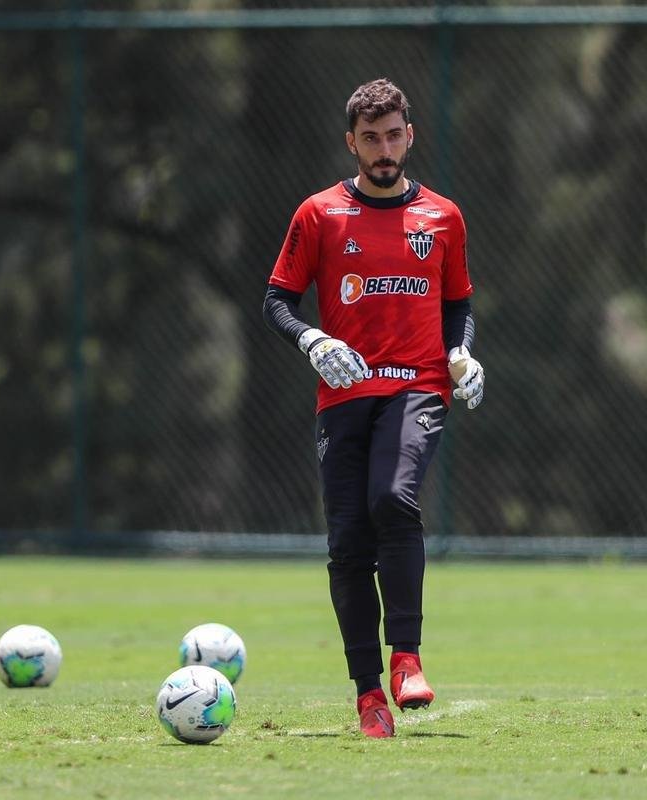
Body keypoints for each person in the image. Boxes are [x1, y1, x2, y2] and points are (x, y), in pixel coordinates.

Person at [263, 79, 483, 738]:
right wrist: (312, 339)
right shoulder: (318, 215)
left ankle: (406, 659)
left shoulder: (443, 217)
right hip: (343, 395)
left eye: (392, 136)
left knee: (393, 497)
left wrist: (461, 354)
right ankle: (368, 696)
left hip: (417, 386)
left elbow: (458, 305)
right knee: (348, 546)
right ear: (350, 143)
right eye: (370, 139)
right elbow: (277, 300)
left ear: (409, 135)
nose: (383, 150)